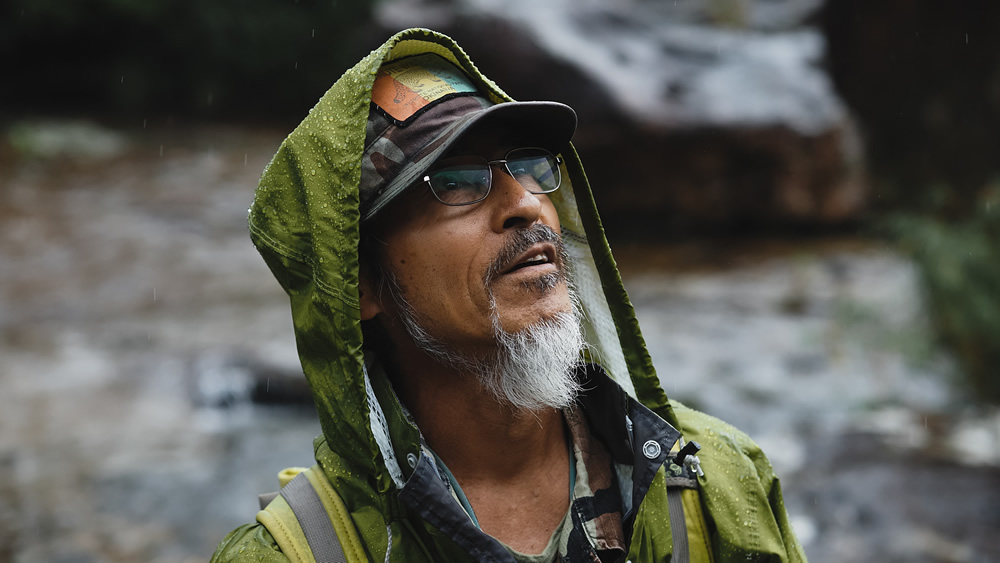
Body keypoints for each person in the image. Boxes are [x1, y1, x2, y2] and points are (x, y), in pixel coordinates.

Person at [211, 28, 806, 562]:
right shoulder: (298, 554)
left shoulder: (718, 488)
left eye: (527, 166)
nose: (525, 203)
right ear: (361, 284)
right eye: (457, 181)